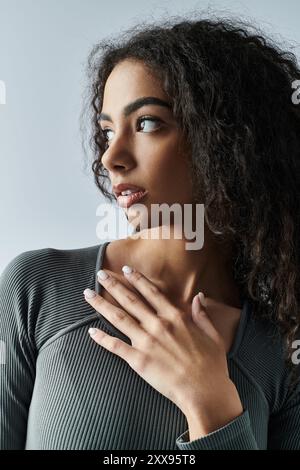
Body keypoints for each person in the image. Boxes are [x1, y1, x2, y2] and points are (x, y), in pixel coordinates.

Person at [1, 14, 300, 450]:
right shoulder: (36, 289)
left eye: (146, 123)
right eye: (107, 132)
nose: (111, 157)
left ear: (229, 140)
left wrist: (211, 404)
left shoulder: (281, 355)